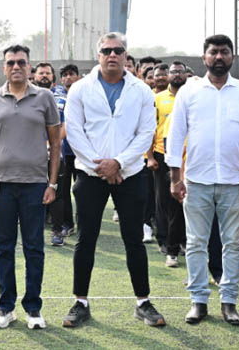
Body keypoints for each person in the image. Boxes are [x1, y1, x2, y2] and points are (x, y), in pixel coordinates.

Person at [63, 32, 165, 329]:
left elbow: (146, 133)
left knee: (134, 240)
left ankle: (143, 302)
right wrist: (101, 166)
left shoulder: (141, 90)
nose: (112, 55)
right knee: (86, 239)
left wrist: (118, 163)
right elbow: (74, 131)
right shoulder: (80, 88)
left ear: (125, 55)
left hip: (129, 174)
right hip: (90, 173)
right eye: (106, 50)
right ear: (98, 55)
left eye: (118, 51)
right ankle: (80, 302)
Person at [167, 34, 239, 326]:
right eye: (214, 52)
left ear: (232, 57)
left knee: (233, 244)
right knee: (196, 243)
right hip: (196, 181)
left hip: (235, 183)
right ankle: (198, 301)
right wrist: (175, 178)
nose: (219, 57)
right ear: (204, 58)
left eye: (224, 52)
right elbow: (175, 135)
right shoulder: (189, 91)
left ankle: (229, 301)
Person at [0, 44, 61, 330]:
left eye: (21, 62)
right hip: (0, 184)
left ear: (29, 67)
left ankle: (33, 308)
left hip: (34, 185)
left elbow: (55, 143)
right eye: (11, 62)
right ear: (4, 67)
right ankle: (5, 307)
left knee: (34, 248)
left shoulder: (45, 97)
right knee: (4, 248)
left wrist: (52, 183)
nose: (16, 67)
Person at [154, 61, 188, 267]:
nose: (177, 75)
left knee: (184, 204)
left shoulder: (193, 97)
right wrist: (149, 156)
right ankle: (167, 244)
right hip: (164, 154)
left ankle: (181, 243)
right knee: (165, 200)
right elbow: (151, 127)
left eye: (180, 72)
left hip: (191, 158)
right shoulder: (158, 98)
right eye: (173, 72)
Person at [49, 64, 80, 246]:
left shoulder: (85, 93)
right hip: (63, 151)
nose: (68, 77)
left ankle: (83, 222)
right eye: (65, 75)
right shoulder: (56, 96)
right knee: (63, 189)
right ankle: (67, 224)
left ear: (78, 76)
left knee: (82, 190)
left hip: (81, 151)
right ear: (61, 79)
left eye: (71, 74)